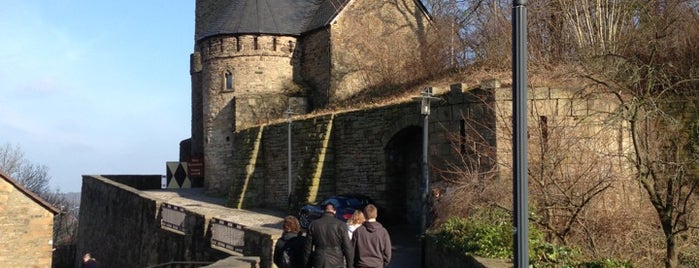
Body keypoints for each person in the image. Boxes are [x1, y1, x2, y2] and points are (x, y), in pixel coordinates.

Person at [304, 202, 353, 268]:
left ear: (323, 211)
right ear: (334, 211)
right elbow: (348, 247)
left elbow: (307, 249)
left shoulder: (313, 224)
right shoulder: (341, 225)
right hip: (336, 260)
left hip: (319, 259)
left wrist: (307, 265)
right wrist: (350, 265)